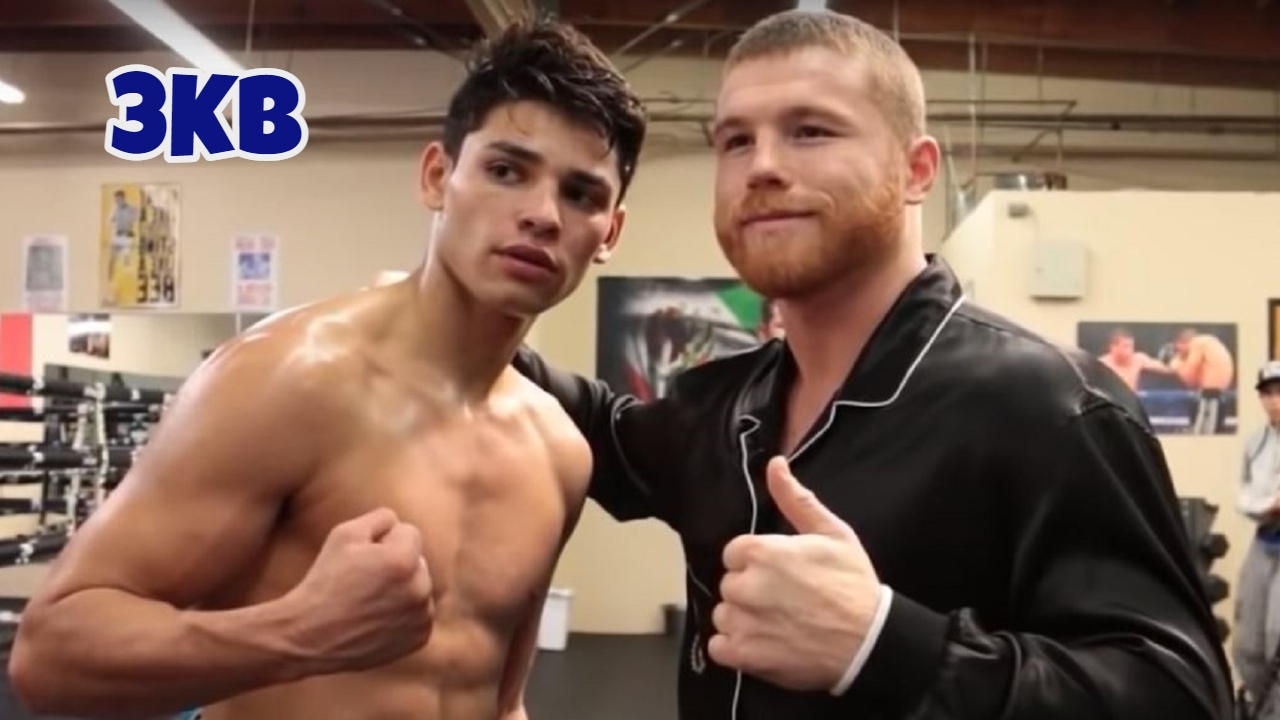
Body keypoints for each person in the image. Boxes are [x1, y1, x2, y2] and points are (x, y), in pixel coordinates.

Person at [514, 9, 1233, 720]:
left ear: (916, 170)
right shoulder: (723, 406)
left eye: (809, 131)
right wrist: (458, 299)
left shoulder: (1049, 405)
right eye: (735, 141)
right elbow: (596, 424)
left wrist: (883, 645)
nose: (761, 167)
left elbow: (1182, 697)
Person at [9, 18, 646, 720]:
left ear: (609, 233)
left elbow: (501, 701)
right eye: (506, 171)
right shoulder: (287, 380)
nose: (542, 214)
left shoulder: (560, 453)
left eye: (581, 194)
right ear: (437, 177)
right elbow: (50, 653)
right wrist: (300, 632)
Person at [1233, 361, 1280, 718]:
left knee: (1277, 635)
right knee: (1248, 645)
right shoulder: (1256, 443)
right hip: (1264, 543)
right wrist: (1268, 505)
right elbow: (1244, 498)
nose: (1275, 401)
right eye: (1268, 394)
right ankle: (1259, 709)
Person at [1163, 328, 1236, 434]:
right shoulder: (1210, 344)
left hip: (1210, 398)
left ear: (1181, 343)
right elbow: (1192, 383)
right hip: (1217, 397)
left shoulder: (1197, 343)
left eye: (1179, 349)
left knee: (1202, 435)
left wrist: (1175, 363)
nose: (1181, 353)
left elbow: (1187, 373)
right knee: (1213, 434)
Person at [1098, 326, 1172, 390]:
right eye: (1126, 346)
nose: (1129, 350)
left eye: (1131, 346)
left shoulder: (1138, 359)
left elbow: (1166, 368)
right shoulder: (1102, 363)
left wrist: (1176, 363)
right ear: (1113, 347)